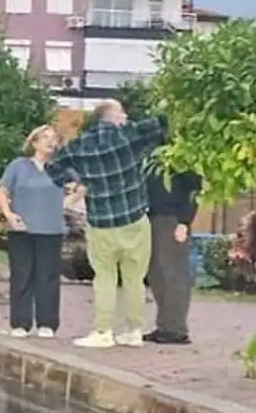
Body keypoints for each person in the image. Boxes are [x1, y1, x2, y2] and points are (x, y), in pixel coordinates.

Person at [46, 100, 166, 349]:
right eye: (122, 113)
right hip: (134, 219)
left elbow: (53, 170)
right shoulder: (130, 135)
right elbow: (161, 124)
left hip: (101, 223)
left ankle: (103, 331)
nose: (126, 116)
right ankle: (134, 331)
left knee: (104, 278)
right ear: (112, 116)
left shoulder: (80, 146)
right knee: (135, 278)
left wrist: (79, 179)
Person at [0, 125, 66, 338]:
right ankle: (20, 323)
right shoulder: (18, 166)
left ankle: (47, 323)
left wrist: (66, 203)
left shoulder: (61, 167)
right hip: (21, 229)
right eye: (45, 137)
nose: (50, 141)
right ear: (34, 143)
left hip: (51, 229)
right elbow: (2, 190)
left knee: (48, 277)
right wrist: (8, 213)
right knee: (21, 275)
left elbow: (81, 186)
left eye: (53, 138)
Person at [145, 164, 202, 345]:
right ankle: (166, 325)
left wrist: (184, 221)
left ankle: (175, 329)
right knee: (158, 274)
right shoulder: (152, 156)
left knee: (174, 273)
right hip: (153, 216)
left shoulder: (181, 158)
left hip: (172, 218)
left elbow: (194, 190)